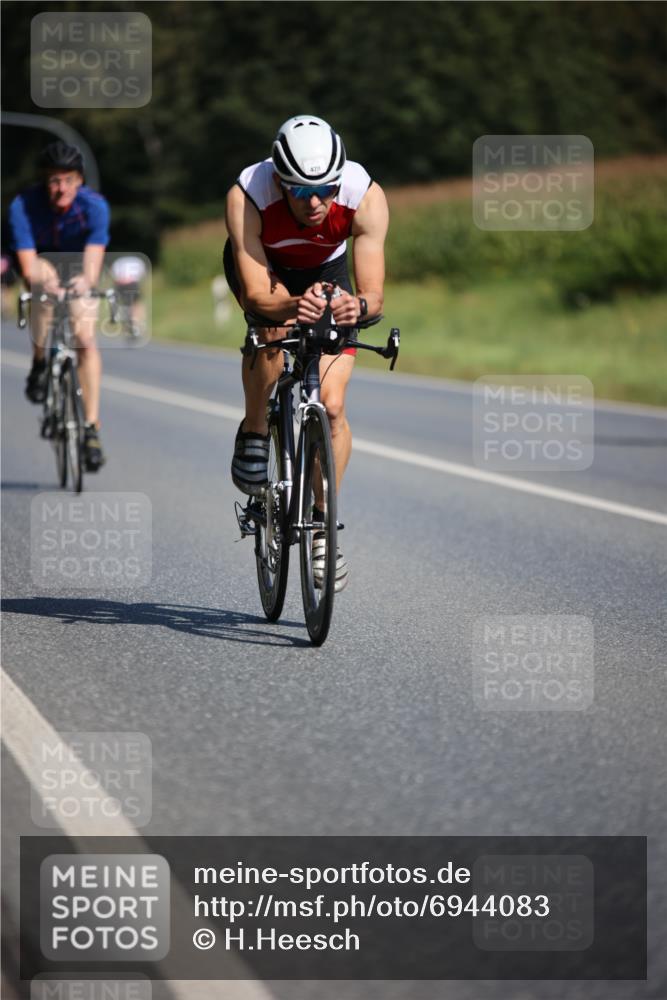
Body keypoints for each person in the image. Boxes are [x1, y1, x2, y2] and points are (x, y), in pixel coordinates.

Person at [224, 115, 389, 592]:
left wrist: (355, 306)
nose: (315, 202)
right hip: (267, 271)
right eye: (300, 191)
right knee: (272, 331)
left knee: (332, 406)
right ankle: (256, 429)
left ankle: (321, 526)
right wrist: (296, 305)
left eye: (325, 190)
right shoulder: (248, 195)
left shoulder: (364, 195)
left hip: (327, 271)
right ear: (280, 181)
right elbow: (257, 294)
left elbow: (373, 297)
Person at [7, 141, 110, 470]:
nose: (61, 188)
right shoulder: (23, 206)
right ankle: (40, 362)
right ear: (44, 182)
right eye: (53, 180)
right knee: (43, 285)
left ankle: (91, 428)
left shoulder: (94, 206)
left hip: (78, 265)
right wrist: (44, 282)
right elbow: (27, 266)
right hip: (41, 263)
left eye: (68, 180)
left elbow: (92, 265)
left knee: (86, 340)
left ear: (80, 181)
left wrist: (84, 282)